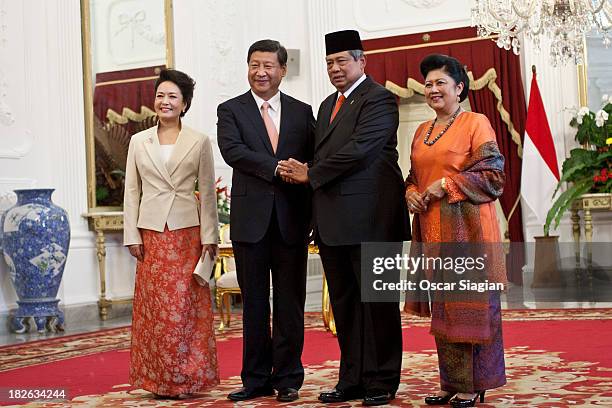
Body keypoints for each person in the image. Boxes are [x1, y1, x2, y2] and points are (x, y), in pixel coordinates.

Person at [279, 30, 410, 406]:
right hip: (334, 223)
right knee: (346, 306)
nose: (335, 69)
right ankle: (351, 379)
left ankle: (382, 381)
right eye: (329, 63)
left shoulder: (381, 99)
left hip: (373, 220)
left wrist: (310, 173)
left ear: (361, 61)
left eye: (342, 61)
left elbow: (359, 150)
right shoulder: (325, 106)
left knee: (378, 304)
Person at [404, 54, 507, 408]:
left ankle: (475, 385)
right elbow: (413, 178)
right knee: (445, 313)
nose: (432, 90)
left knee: (472, 311)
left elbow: (493, 175)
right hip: (432, 233)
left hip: (470, 233)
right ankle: (452, 382)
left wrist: (445, 186)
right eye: (428, 84)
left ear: (459, 88)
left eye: (440, 83)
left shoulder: (476, 123)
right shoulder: (422, 131)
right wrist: (413, 193)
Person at [216, 39, 314, 403]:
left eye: (269, 65)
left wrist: (307, 178)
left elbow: (314, 161)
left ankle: (288, 378)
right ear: (248, 67)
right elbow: (233, 152)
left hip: (292, 220)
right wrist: (276, 167)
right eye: (254, 64)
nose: (261, 72)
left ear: (282, 70)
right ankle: (255, 378)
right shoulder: (231, 110)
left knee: (290, 303)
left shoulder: (303, 112)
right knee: (255, 304)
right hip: (250, 223)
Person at [123, 69, 219, 398]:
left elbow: (206, 192)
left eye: (172, 97)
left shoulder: (199, 140)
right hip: (150, 235)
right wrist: (131, 235)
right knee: (157, 310)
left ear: (185, 104)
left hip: (187, 233)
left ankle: (188, 376)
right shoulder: (139, 141)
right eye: (160, 95)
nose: (165, 101)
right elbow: (131, 191)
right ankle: (158, 380)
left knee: (184, 308)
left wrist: (211, 237)